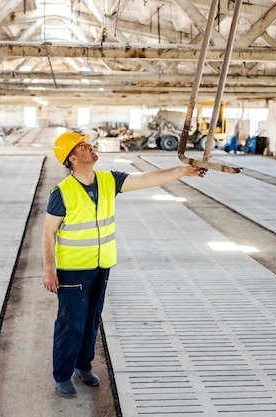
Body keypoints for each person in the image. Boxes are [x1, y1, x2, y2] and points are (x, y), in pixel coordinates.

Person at [42, 131, 200, 398]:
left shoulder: (108, 180)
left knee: (91, 319)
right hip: (73, 269)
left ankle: (83, 365)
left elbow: (148, 178)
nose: (89, 146)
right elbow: (48, 233)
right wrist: (48, 269)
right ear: (72, 157)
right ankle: (62, 375)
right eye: (82, 145)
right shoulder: (62, 192)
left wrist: (182, 171)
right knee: (71, 323)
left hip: (102, 265)